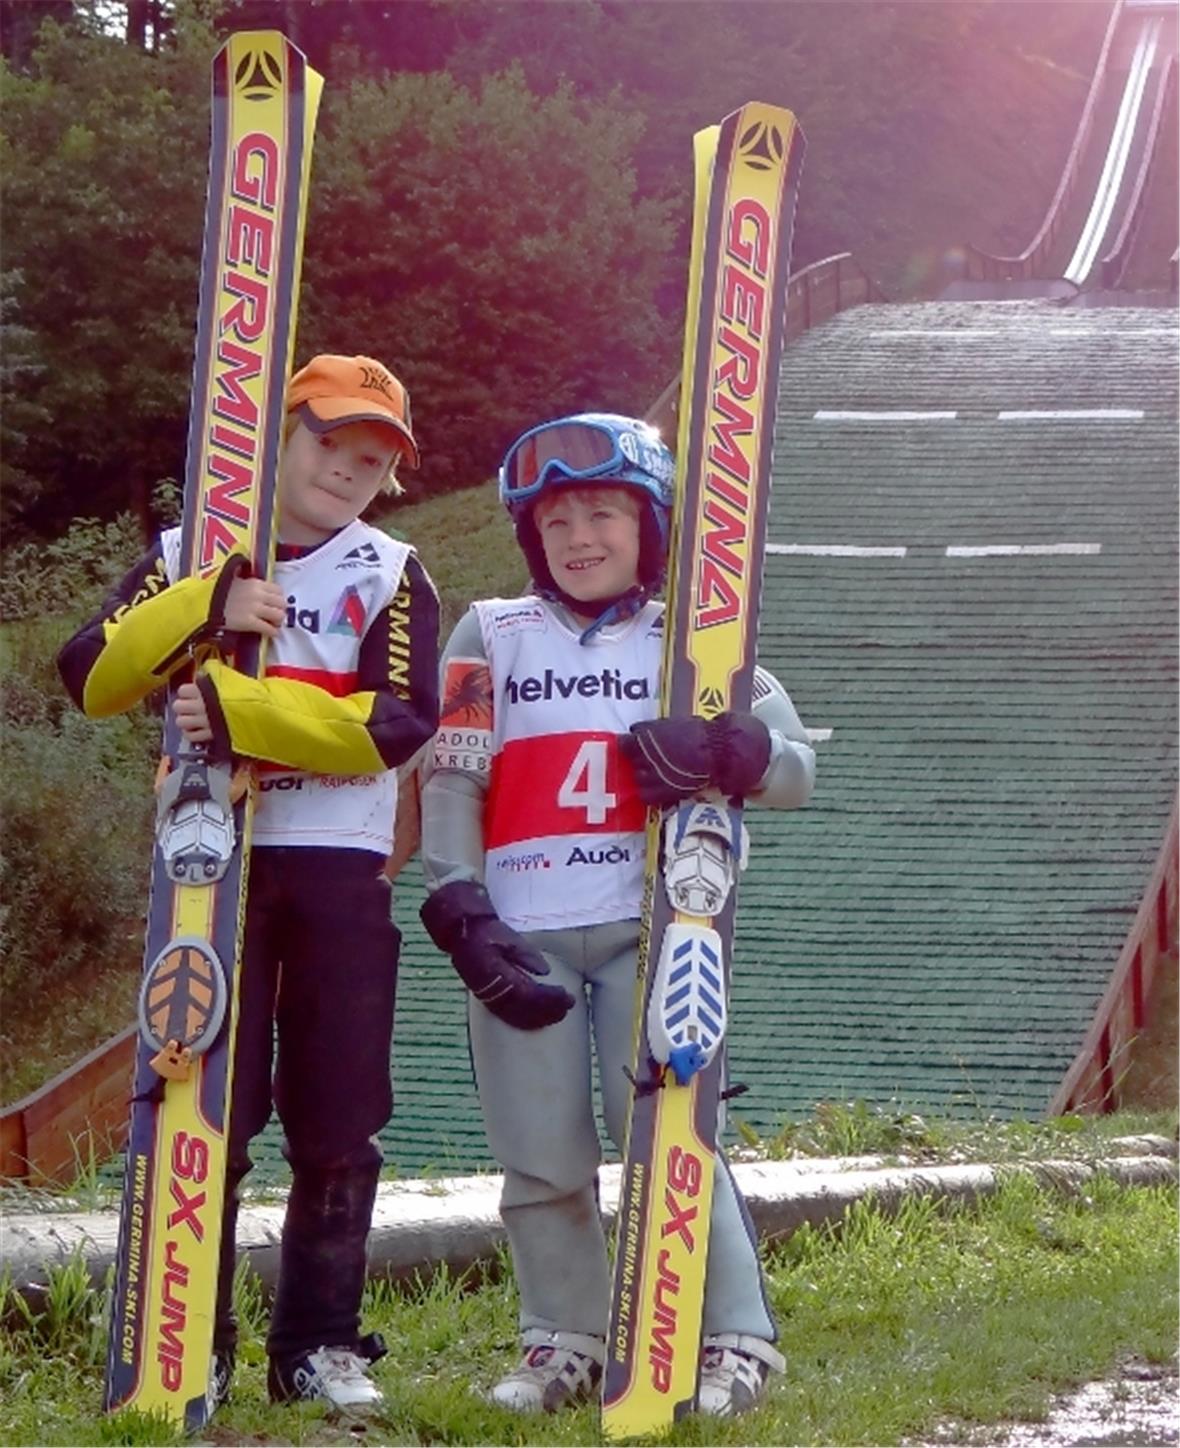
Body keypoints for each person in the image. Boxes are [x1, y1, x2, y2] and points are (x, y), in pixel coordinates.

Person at [57, 354, 440, 1412]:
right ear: (276, 436)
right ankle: (191, 1337)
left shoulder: (391, 568)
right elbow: (88, 674)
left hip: (339, 860)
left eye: (373, 459)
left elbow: (398, 720)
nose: (347, 470)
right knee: (208, 1091)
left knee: (339, 1110)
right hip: (211, 860)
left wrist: (241, 712)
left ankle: (317, 1344)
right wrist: (203, 604)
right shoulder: (187, 551)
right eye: (329, 442)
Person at [418, 412, 815, 1417]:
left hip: (650, 928)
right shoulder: (489, 632)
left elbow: (795, 767)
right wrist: (458, 898)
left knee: (670, 1130)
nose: (577, 537)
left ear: (651, 525)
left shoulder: (694, 636)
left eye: (602, 514)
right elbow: (454, 776)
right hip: (525, 932)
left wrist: (739, 753)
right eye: (554, 521)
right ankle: (568, 1339)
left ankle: (733, 1337)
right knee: (539, 1152)